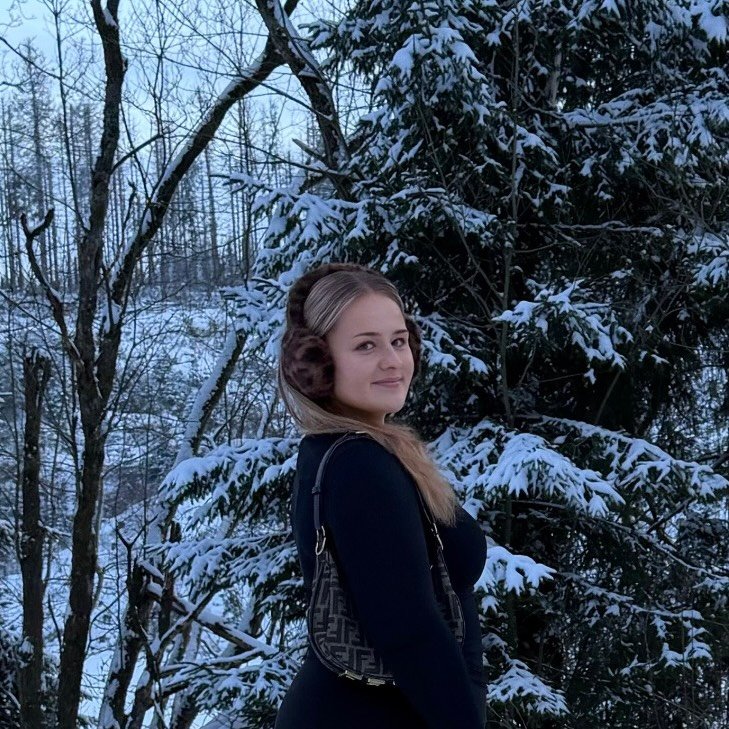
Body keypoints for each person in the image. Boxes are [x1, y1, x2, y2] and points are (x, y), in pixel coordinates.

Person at [274, 262, 488, 728]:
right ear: (318, 362)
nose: (393, 360)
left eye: (399, 340)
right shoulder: (359, 466)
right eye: (366, 345)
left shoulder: (349, 449)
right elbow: (409, 633)